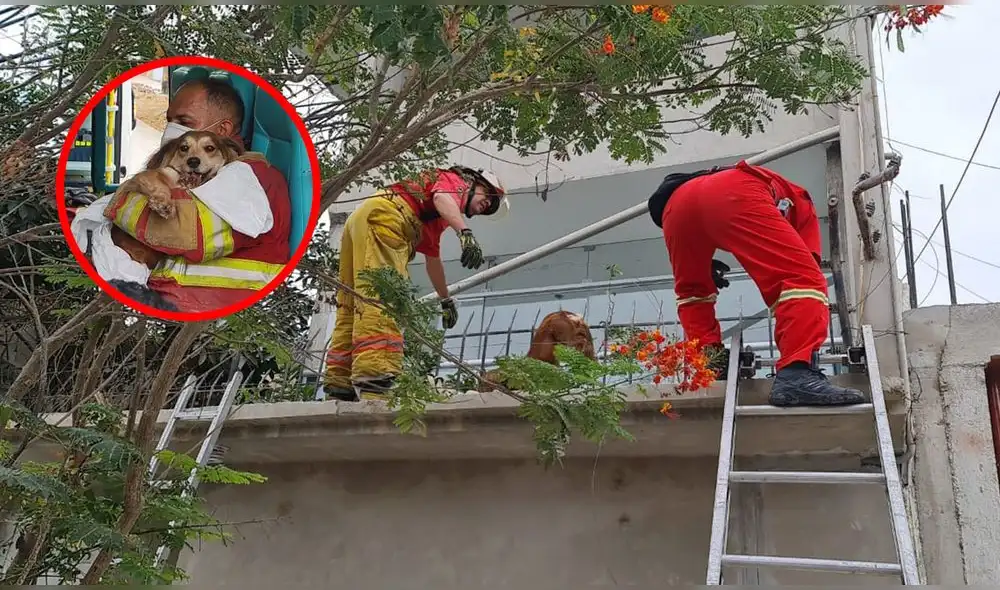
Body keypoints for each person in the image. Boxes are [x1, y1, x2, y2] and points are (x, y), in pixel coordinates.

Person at [648, 160, 866, 407]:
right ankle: (797, 372)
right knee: (803, 281)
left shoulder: (710, 187)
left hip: (675, 208)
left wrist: (702, 260)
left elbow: (707, 213)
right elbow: (803, 274)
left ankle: (709, 364)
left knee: (693, 292)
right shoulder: (801, 202)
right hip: (734, 190)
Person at [72, 77, 293, 313]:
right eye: (169, 120)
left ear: (222, 130)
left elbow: (183, 235)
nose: (172, 128)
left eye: (183, 121)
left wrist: (125, 202)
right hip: (166, 292)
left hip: (199, 305)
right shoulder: (197, 171)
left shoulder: (251, 175)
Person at [324, 166, 509, 401]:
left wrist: (446, 300)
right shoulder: (455, 183)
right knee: (385, 299)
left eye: (491, 207)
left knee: (353, 302)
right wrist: (465, 233)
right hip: (387, 219)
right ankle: (376, 382)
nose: (488, 206)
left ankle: (339, 384)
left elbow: (434, 262)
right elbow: (443, 197)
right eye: (488, 197)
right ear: (474, 182)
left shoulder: (434, 215)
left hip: (363, 219)